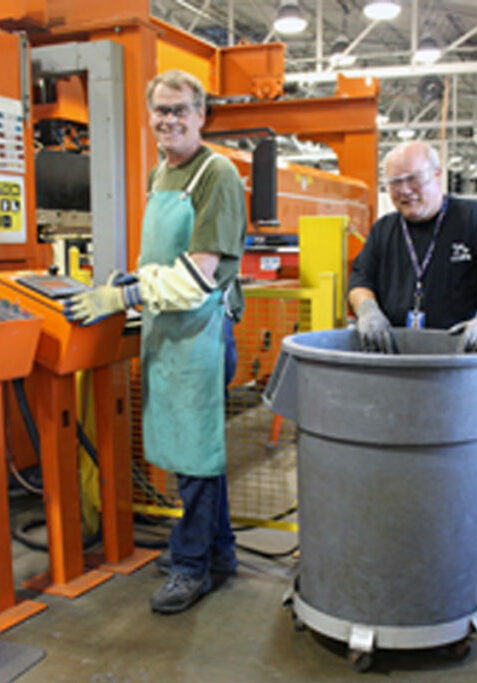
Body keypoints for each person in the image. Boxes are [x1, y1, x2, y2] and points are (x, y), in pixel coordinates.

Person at [65, 69, 246, 614]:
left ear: (201, 115)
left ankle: (191, 566)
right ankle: (218, 553)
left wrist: (124, 299)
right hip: (167, 331)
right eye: (161, 111)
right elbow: (162, 262)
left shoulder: (217, 175)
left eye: (180, 110)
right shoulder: (158, 174)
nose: (169, 120)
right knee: (192, 451)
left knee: (195, 453)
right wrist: (135, 280)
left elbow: (198, 278)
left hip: (201, 332)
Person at [348, 140, 477, 353]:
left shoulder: (472, 218)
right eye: (395, 182)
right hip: (397, 360)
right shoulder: (383, 229)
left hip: (461, 362)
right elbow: (360, 279)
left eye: (413, 179)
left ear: (437, 174)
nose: (405, 190)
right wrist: (367, 310)